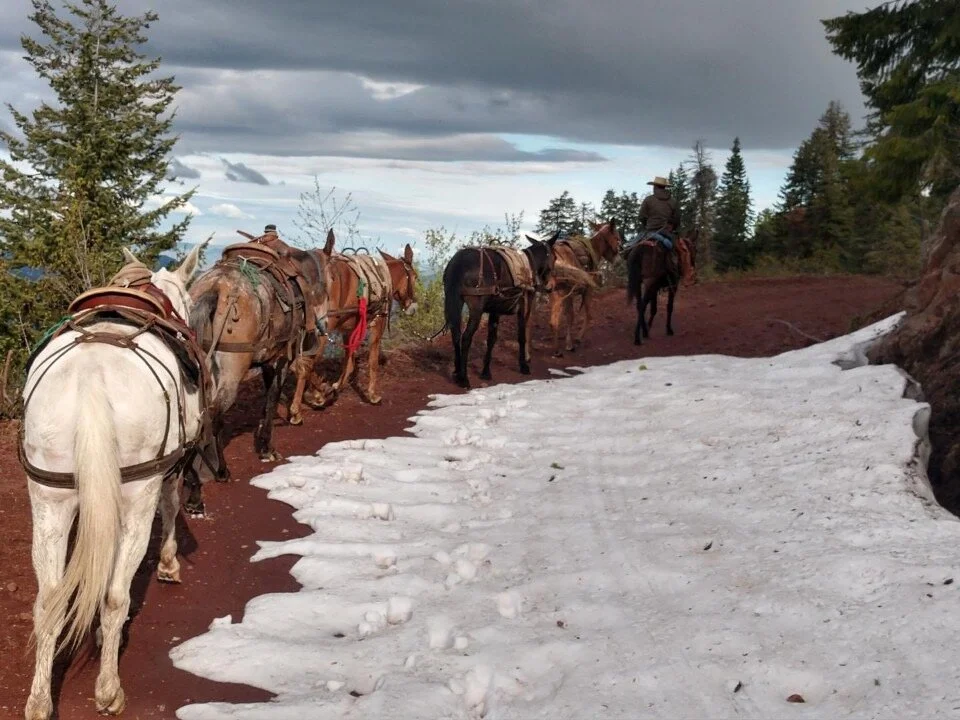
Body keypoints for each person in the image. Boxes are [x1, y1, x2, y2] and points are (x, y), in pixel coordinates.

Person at [637, 176, 681, 277]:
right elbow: (677, 219)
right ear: (665, 187)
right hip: (667, 232)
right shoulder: (673, 202)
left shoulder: (648, 200)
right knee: (680, 251)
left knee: (632, 246)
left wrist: (647, 225)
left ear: (655, 187)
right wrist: (672, 227)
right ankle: (681, 273)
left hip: (650, 231)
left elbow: (641, 217)